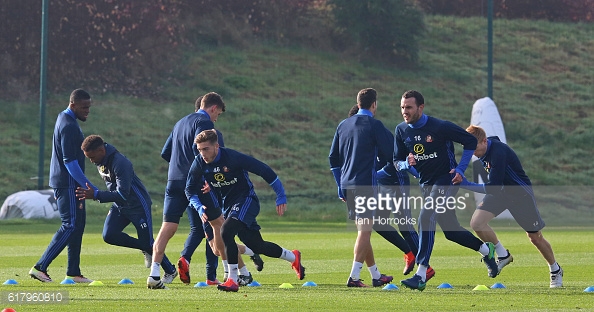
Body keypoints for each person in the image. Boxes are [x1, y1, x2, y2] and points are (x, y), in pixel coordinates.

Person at [394, 90, 498, 291]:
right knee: (451, 231)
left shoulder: (440, 127)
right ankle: (487, 251)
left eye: (409, 107)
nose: (404, 112)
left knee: (425, 217)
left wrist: (460, 169)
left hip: (447, 181)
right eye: (402, 107)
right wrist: (407, 164)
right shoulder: (401, 131)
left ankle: (421, 273)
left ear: (421, 108)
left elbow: (469, 141)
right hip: (426, 184)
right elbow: (396, 162)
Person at [152, 92, 256, 289]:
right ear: (213, 108)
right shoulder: (205, 124)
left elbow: (166, 153)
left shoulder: (179, 123)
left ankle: (154, 274)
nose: (216, 119)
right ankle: (233, 274)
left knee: (168, 228)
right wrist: (200, 174)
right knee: (219, 226)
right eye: (218, 115)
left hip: (173, 181)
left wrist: (180, 166)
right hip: (197, 183)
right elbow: (204, 153)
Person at [185, 129, 305, 292]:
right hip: (229, 205)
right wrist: (199, 207)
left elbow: (264, 170)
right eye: (199, 149)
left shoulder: (233, 158)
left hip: (247, 200)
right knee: (257, 246)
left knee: (226, 231)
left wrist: (281, 195)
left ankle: (233, 279)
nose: (202, 153)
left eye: (205, 149)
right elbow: (189, 189)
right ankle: (293, 256)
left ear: (216, 146)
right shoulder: (199, 162)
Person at [461, 125, 563, 288]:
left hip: (519, 195)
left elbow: (493, 186)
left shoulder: (498, 153)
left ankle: (555, 269)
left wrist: (465, 184)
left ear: (484, 141)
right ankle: (503, 255)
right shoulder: (485, 147)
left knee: (535, 237)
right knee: (477, 223)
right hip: (501, 194)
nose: (472, 152)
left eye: (474, 147)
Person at [75, 135, 177, 282]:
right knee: (109, 235)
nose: (91, 161)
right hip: (120, 205)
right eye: (88, 158)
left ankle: (170, 271)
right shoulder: (101, 160)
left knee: (148, 243)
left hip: (137, 206)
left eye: (92, 157)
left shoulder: (121, 163)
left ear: (101, 150)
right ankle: (144, 247)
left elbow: (123, 193)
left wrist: (96, 194)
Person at [328, 88, 396, 288]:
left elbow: (333, 159)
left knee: (362, 232)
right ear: (374, 105)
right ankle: (354, 277)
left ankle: (375, 275)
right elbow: (392, 153)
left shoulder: (343, 125)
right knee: (365, 232)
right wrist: (383, 172)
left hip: (348, 185)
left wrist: (340, 185)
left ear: (358, 104)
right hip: (366, 184)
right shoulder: (374, 125)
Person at [347, 104, 423, 277]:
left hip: (397, 181)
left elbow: (395, 162)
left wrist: (418, 174)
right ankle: (410, 253)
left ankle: (424, 263)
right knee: (377, 222)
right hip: (380, 185)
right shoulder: (359, 139)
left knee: (404, 224)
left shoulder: (378, 132)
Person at [29, 89, 96, 283]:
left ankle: (73, 272)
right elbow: (69, 162)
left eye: (89, 107)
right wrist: (88, 185)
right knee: (71, 224)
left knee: (78, 225)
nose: (87, 111)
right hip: (68, 184)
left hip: (69, 184)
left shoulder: (65, 119)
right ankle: (40, 267)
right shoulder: (68, 125)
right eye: (84, 107)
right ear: (73, 105)